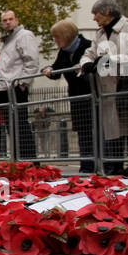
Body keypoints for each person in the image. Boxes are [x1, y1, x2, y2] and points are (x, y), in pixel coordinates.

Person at [79, 0, 128, 175]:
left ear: (107, 12)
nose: (94, 18)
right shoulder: (99, 34)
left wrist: (108, 60)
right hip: (107, 89)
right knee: (113, 130)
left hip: (125, 85)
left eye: (96, 14)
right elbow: (89, 53)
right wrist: (86, 63)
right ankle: (115, 165)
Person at [43, 20, 93, 172]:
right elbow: (57, 68)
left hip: (90, 95)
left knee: (94, 130)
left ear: (65, 36)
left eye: (57, 37)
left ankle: (100, 164)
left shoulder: (87, 46)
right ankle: (86, 166)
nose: (55, 41)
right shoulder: (64, 51)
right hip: (76, 96)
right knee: (83, 131)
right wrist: (49, 69)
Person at [0, 10, 40, 159]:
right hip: (5, 87)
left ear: (16, 20)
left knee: (20, 126)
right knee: (12, 127)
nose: (7, 22)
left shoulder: (24, 36)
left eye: (10, 19)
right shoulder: (8, 40)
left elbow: (31, 61)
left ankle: (28, 160)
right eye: (4, 20)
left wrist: (23, 83)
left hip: (14, 87)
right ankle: (21, 158)